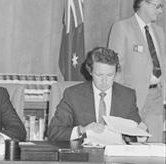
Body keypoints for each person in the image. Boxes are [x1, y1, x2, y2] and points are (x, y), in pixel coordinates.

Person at [47, 47, 142, 141]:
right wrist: (82, 130)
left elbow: (137, 130)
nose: (104, 81)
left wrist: (140, 136)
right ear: (90, 71)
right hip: (84, 153)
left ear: (116, 72)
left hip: (115, 153)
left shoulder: (127, 96)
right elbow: (54, 132)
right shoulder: (73, 95)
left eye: (110, 75)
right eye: (99, 75)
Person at [108, 0, 165, 142]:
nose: (160, 11)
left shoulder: (159, 31)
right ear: (143, 4)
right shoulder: (122, 27)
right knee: (129, 146)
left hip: (155, 97)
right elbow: (115, 67)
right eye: (158, 6)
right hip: (130, 98)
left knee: (156, 145)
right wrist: (120, 100)